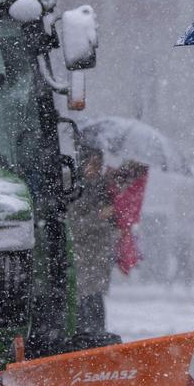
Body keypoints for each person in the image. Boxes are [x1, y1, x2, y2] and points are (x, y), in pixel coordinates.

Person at [66, 137, 118, 342]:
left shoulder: (102, 187)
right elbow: (73, 224)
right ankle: (85, 339)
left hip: (98, 257)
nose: (96, 168)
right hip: (82, 257)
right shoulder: (74, 188)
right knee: (83, 303)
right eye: (92, 163)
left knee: (95, 302)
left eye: (99, 164)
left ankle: (97, 339)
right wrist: (99, 216)